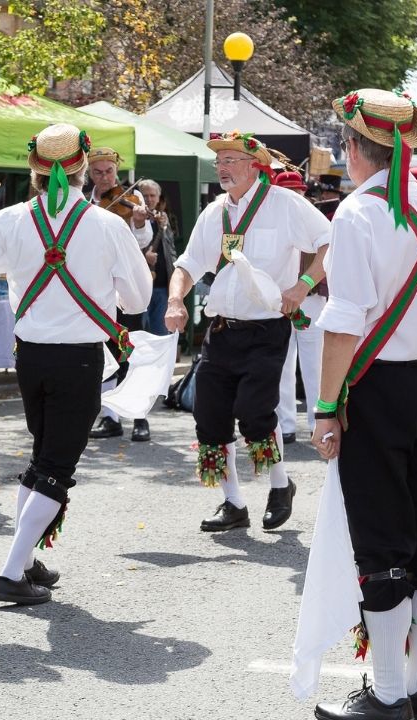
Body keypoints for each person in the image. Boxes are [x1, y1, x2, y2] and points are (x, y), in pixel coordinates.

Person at [309, 89, 417, 720]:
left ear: (356, 149)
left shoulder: (356, 213)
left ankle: (385, 696)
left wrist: (328, 405)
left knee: (381, 544)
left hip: (377, 389)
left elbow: (345, 320)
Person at [0, 123, 151, 605]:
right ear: (83, 169)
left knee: (41, 461)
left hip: (28, 358)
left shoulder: (12, 220)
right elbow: (136, 298)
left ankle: (28, 558)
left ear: (34, 169)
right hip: (78, 361)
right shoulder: (108, 225)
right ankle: (11, 573)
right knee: (56, 467)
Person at [165, 131, 331, 534]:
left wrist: (302, 286)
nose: (221, 167)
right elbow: (187, 265)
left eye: (230, 159)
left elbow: (332, 240)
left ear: (254, 164)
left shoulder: (284, 204)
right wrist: (175, 300)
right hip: (221, 331)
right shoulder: (215, 212)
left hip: (267, 329)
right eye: (218, 161)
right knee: (209, 417)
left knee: (256, 412)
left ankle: (280, 485)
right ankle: (234, 502)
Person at [87, 146, 154, 441]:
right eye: (97, 172)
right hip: (97, 290)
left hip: (126, 288)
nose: (104, 178)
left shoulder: (133, 199)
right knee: (106, 355)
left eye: (109, 171)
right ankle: (110, 417)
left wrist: (139, 222)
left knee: (133, 352)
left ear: (117, 171)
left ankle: (140, 418)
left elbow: (143, 239)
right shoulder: (86, 202)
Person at [271, 171, 328, 446]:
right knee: (282, 362)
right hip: (280, 299)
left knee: (314, 363)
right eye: (290, 191)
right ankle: (286, 423)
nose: (296, 196)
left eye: (299, 190)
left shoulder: (315, 219)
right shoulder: (272, 220)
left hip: (312, 298)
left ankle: (318, 420)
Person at [137, 179, 176, 337]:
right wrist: (143, 257)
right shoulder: (133, 219)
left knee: (160, 334)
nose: (149, 199)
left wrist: (165, 228)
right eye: (145, 195)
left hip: (161, 286)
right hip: (140, 288)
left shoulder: (163, 218)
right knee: (140, 333)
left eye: (152, 195)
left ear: (158, 198)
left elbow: (171, 249)